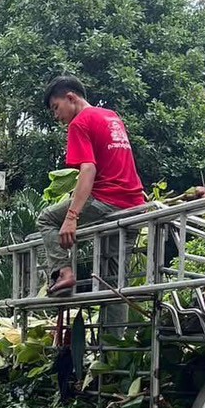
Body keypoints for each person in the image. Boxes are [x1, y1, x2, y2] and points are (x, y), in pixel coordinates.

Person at [37, 75, 147, 296]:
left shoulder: (79, 123)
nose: (56, 116)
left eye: (56, 108)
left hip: (108, 201)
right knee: (114, 283)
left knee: (46, 218)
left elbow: (88, 169)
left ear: (71, 97)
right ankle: (115, 332)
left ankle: (63, 272)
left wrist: (71, 217)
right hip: (135, 205)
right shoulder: (111, 116)